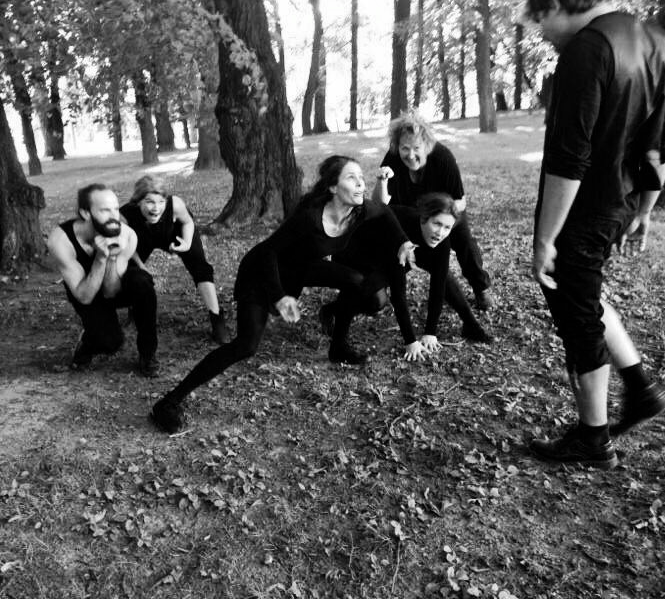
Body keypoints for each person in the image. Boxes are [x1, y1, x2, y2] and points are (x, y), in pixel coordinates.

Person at [149, 156, 415, 433]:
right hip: (262, 272)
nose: (361, 183)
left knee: (359, 284)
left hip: (300, 269)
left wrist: (404, 242)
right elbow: (268, 252)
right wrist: (279, 296)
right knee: (246, 345)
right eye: (351, 178)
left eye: (361, 177)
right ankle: (168, 403)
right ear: (333, 188)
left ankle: (338, 347)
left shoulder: (359, 211)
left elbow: (385, 212)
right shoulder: (310, 217)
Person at [526, 0, 665, 468]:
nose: (540, 32)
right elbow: (661, 141)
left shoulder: (587, 50)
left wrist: (546, 237)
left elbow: (570, 157)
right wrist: (645, 208)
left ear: (557, 4)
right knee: (584, 295)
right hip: (622, 202)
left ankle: (593, 437)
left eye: (539, 19)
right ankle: (640, 389)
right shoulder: (655, 41)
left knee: (576, 313)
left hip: (584, 209)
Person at [321, 192, 491, 361]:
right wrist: (410, 341)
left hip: (390, 250)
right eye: (437, 224)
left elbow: (438, 286)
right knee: (374, 299)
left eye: (447, 227)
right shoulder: (401, 233)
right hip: (357, 247)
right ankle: (336, 334)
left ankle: (471, 325)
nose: (440, 232)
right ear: (424, 218)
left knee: (444, 276)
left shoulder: (442, 239)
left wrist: (430, 332)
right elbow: (398, 293)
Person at [373, 111, 495, 312]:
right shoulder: (393, 158)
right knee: (392, 238)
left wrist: (438, 220)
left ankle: (480, 287)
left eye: (416, 148)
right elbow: (379, 206)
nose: (410, 155)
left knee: (464, 241)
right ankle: (380, 287)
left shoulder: (443, 158)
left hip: (447, 212)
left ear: (427, 145)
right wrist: (381, 181)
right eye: (405, 148)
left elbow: (460, 201)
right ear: (397, 146)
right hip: (411, 216)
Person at [48, 183, 159, 376]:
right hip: (84, 287)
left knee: (143, 282)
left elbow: (110, 291)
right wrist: (100, 257)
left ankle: (148, 354)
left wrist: (112, 256)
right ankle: (88, 342)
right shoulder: (60, 241)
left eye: (115, 209)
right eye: (105, 211)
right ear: (86, 213)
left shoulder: (127, 235)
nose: (114, 216)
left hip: (114, 282)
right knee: (110, 342)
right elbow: (84, 297)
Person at [120, 175, 229, 344]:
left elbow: (188, 222)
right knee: (130, 269)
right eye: (149, 202)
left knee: (200, 266)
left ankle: (217, 319)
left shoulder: (175, 204)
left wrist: (186, 244)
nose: (156, 208)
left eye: (161, 201)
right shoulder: (125, 215)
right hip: (141, 239)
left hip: (173, 232)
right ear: (138, 201)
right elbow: (126, 246)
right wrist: (141, 266)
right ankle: (135, 307)